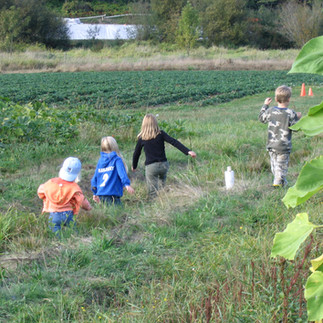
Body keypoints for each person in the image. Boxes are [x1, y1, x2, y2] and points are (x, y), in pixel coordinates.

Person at [132, 114, 196, 198]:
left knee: (152, 191)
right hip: (163, 165)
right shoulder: (161, 134)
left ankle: (154, 204)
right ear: (155, 123)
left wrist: (134, 165)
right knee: (162, 186)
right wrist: (188, 151)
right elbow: (174, 142)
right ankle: (164, 200)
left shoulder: (142, 138)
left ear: (143, 124)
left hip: (151, 167)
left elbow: (136, 153)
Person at [259, 85, 302, 187]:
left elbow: (261, 118)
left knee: (275, 166)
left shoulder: (270, 111)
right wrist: (298, 117)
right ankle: (277, 184)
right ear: (289, 99)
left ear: (275, 99)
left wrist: (265, 105)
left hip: (271, 145)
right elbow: (296, 128)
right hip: (283, 146)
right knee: (281, 167)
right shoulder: (291, 113)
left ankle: (283, 184)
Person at [37, 157, 92, 235]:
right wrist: (88, 207)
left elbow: (40, 191)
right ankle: (74, 241)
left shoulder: (50, 182)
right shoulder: (74, 187)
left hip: (54, 215)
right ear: (77, 174)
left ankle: (59, 242)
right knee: (72, 230)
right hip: (68, 214)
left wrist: (45, 196)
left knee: (55, 232)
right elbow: (81, 200)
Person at [91, 136, 134, 205]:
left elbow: (94, 179)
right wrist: (126, 184)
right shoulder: (117, 159)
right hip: (113, 197)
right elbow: (122, 174)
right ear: (115, 146)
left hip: (101, 196)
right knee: (120, 214)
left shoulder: (100, 161)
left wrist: (95, 192)